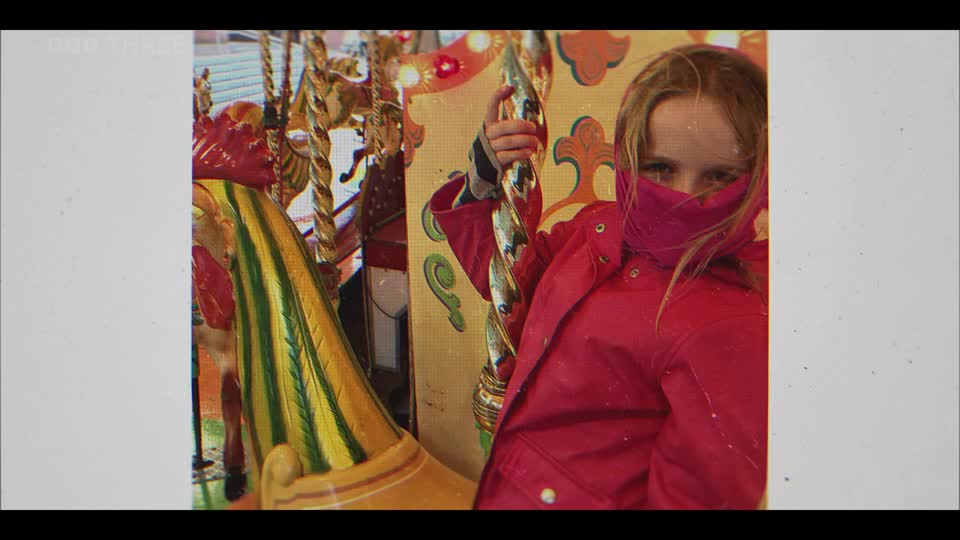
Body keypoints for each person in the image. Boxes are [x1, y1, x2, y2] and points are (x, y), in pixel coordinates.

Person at [428, 43, 769, 509]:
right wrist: (484, 182)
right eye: (661, 168)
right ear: (629, 160)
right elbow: (511, 291)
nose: (685, 197)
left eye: (717, 177)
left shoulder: (732, 318)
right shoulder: (600, 229)